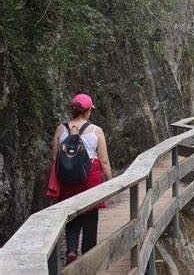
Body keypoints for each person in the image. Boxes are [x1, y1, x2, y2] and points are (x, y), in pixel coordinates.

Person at [50, 93, 113, 264]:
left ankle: (71, 250)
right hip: (89, 180)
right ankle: (88, 254)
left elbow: (55, 157)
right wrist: (110, 181)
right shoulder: (95, 131)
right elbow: (104, 161)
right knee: (90, 217)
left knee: (72, 215)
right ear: (87, 112)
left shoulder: (61, 129)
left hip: (67, 180)